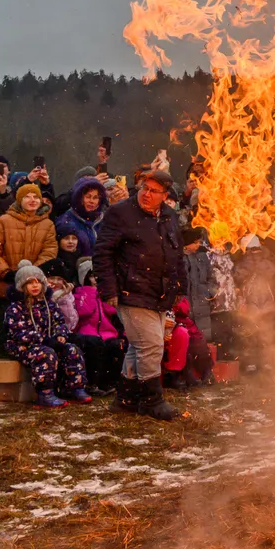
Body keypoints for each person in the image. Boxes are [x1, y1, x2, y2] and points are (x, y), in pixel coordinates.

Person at [92, 168, 186, 420]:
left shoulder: (168, 216)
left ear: (165, 195)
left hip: (158, 291)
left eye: (154, 191)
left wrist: (180, 286)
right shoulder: (120, 213)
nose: (147, 194)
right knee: (151, 345)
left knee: (139, 346)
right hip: (130, 289)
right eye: (145, 187)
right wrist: (108, 288)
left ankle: (124, 399)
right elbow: (102, 253)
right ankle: (152, 400)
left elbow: (176, 254)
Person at [2, 263, 91, 408]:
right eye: (30, 283)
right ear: (21, 286)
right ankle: (45, 393)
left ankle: (75, 388)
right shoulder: (16, 307)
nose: (35, 286)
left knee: (71, 349)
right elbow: (18, 332)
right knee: (46, 354)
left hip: (48, 341)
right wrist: (45, 340)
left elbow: (59, 322)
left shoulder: (49, 304)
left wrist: (60, 335)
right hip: (23, 346)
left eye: (38, 282)